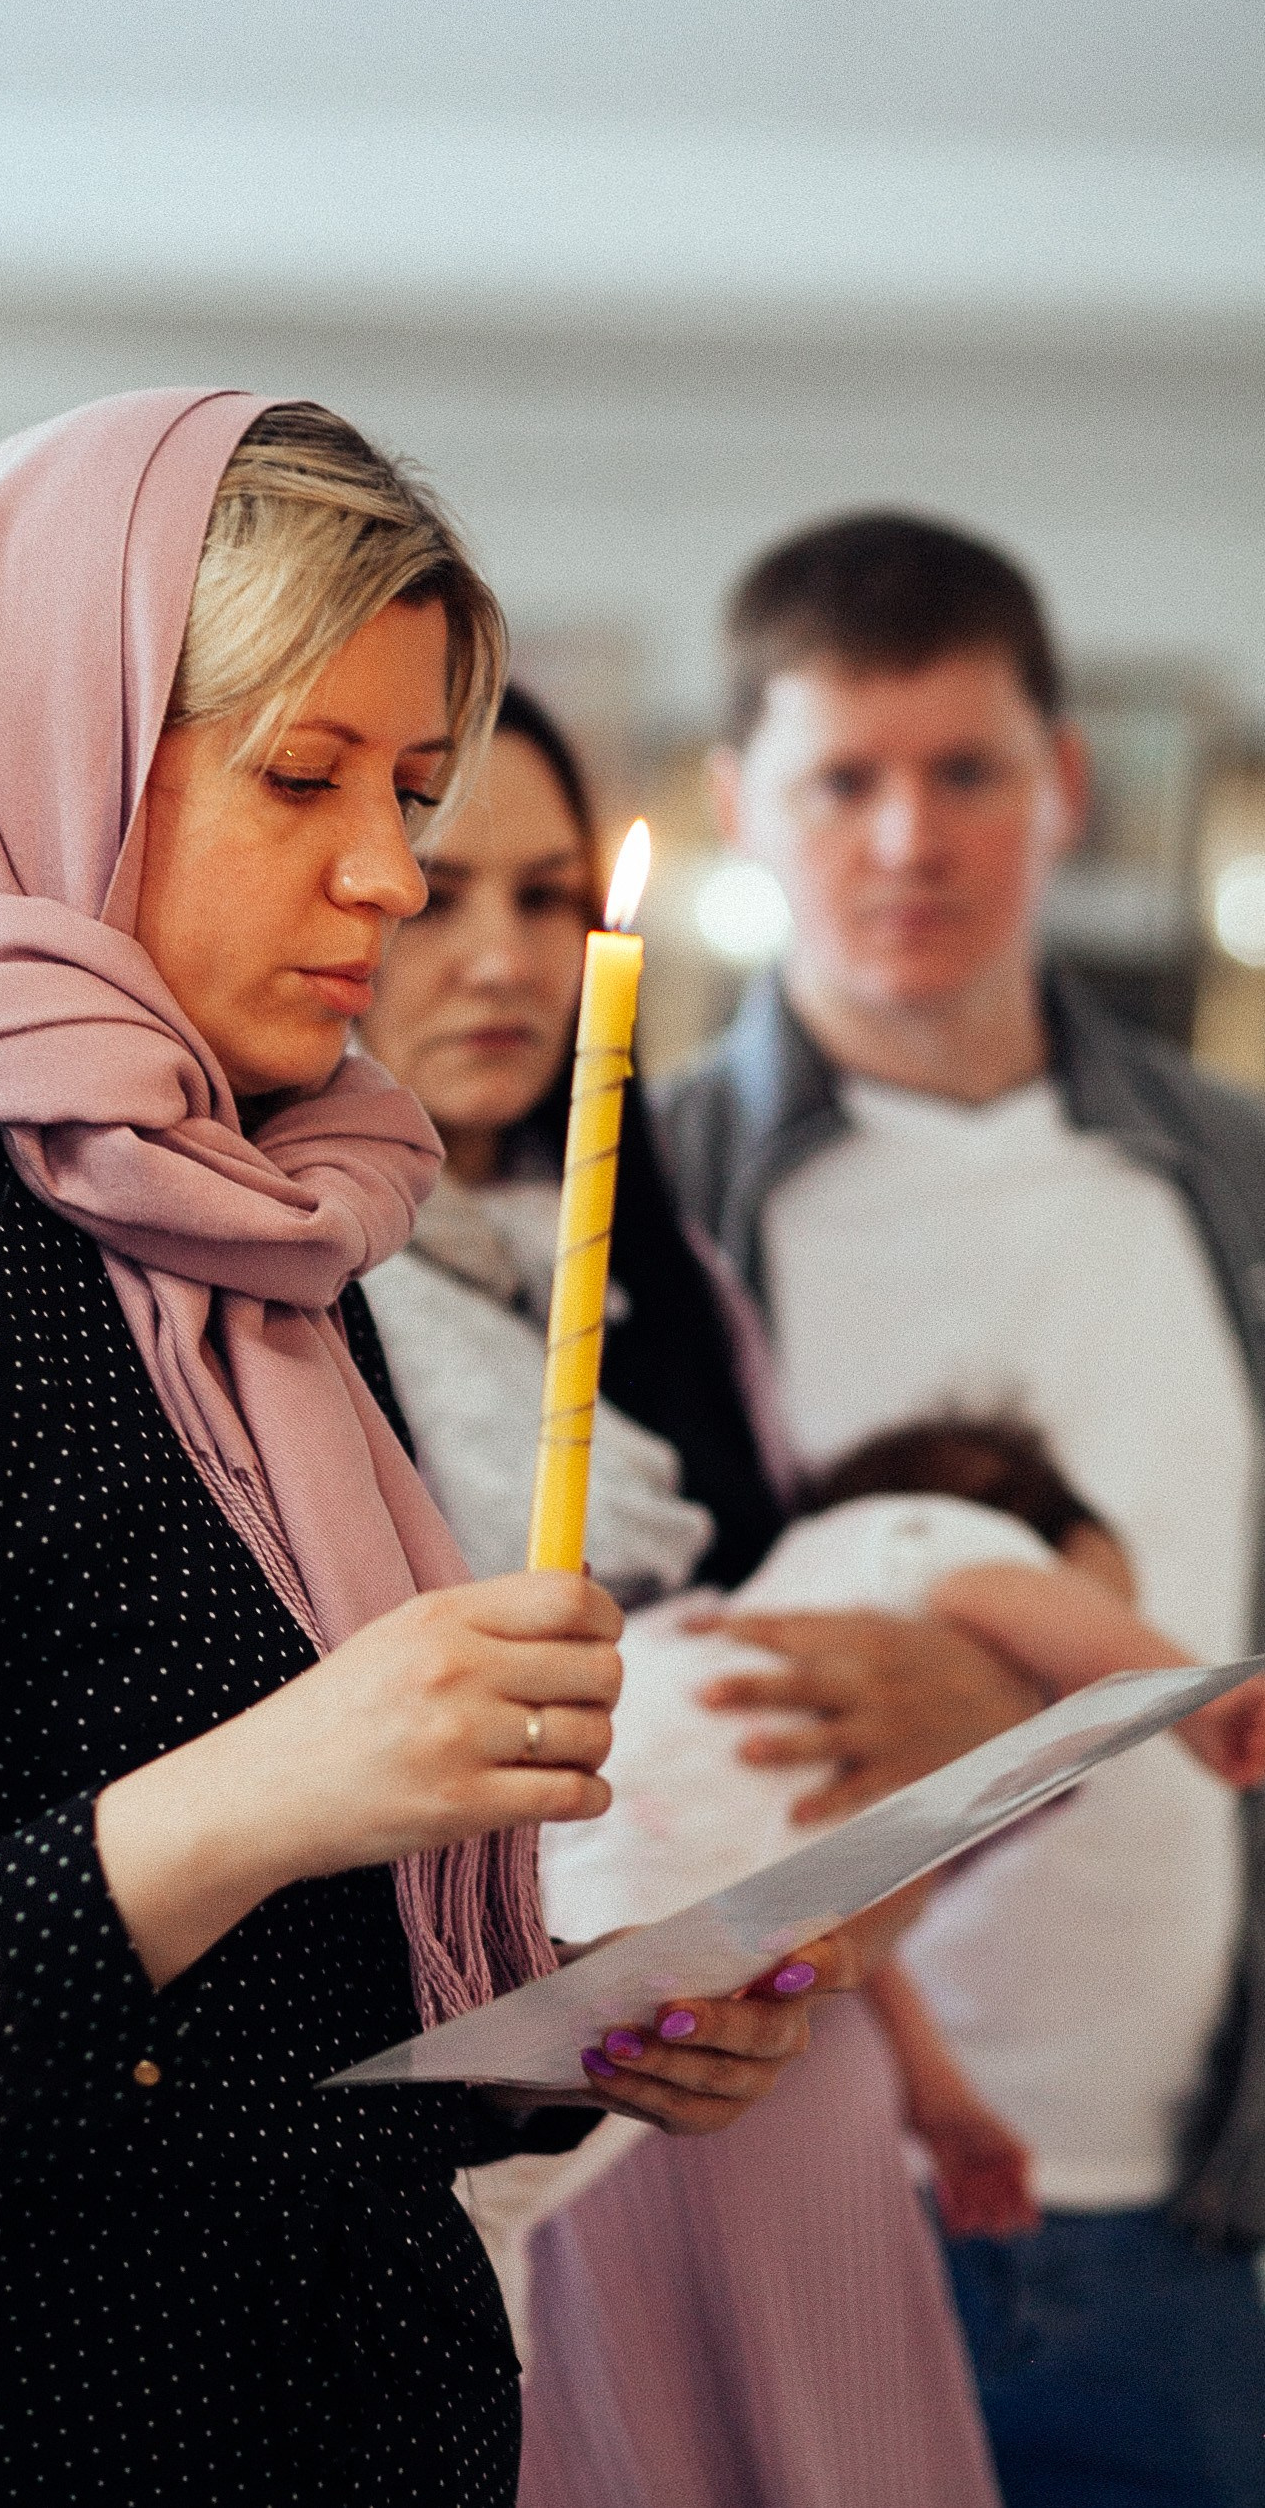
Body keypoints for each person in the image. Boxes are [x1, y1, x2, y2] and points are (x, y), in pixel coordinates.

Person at [0, 395, 831, 2508]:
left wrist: (564, 2032)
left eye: (409, 787)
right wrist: (261, 1787)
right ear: (40, 763)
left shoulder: (265, 1258)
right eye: (301, 775)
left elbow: (241, 2052)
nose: (391, 872)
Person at [662, 508, 1265, 2507]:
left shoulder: (1230, 1177)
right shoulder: (642, 1201)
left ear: (1061, 781)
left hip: (1190, 2205)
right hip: (786, 2180)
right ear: (738, 802)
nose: (906, 839)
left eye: (963, 771)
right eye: (841, 779)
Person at [359, 686, 1003, 2508]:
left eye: (551, 899)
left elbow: (788, 1649)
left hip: (782, 2079)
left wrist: (965, 1692)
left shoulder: (678, 1280)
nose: (505, 959)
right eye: (439, 892)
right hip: (526, 2135)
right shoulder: (261, 1299)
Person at [544, 1411, 1265, 2238]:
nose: (1077, 1668)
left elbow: (849, 1951)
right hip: (648, 1819)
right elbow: (1023, 1600)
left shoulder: (897, 1786)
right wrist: (1196, 1699)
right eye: (1095, 1604)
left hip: (626, 1861)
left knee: (538, 2145)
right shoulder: (901, 1539)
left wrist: (937, 2095)